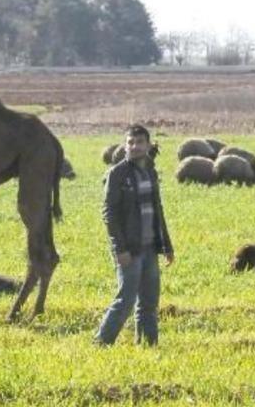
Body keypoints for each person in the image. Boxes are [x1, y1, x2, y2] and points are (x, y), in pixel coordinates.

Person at [94, 124, 175, 346]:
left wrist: (166, 245)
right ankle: (101, 342)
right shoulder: (117, 173)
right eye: (130, 142)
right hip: (129, 248)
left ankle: (149, 345)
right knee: (126, 300)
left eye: (139, 142)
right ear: (125, 145)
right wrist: (119, 249)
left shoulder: (150, 171)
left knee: (149, 301)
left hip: (150, 247)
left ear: (148, 145)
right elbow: (109, 214)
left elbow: (157, 208)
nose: (135, 146)